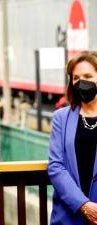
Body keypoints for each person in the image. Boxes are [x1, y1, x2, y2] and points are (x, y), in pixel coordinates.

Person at [48, 51, 97, 225]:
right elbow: (55, 166)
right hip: (69, 215)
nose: (81, 82)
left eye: (88, 76)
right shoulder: (61, 117)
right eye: (75, 78)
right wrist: (83, 205)